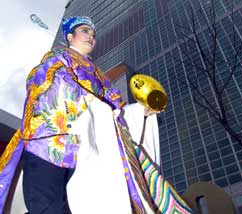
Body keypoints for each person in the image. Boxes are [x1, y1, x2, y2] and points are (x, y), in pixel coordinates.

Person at [0, 16, 194, 214]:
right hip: (47, 143)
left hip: (84, 148)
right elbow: (42, 82)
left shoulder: (99, 75)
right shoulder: (56, 58)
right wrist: (89, 102)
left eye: (93, 34)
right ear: (69, 36)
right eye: (85, 31)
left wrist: (142, 111)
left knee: (76, 203)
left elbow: (117, 108)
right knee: (45, 204)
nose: (91, 37)